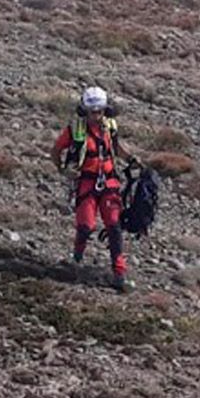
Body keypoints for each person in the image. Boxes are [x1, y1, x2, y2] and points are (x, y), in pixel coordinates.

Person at [51, 86, 137, 293]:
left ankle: (119, 273)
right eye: (92, 112)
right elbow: (56, 150)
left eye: (99, 111)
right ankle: (77, 259)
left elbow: (116, 148)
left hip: (109, 183)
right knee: (86, 226)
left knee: (114, 227)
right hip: (87, 184)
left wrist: (133, 161)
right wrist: (62, 170)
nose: (96, 116)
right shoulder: (75, 130)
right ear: (84, 110)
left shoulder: (110, 127)